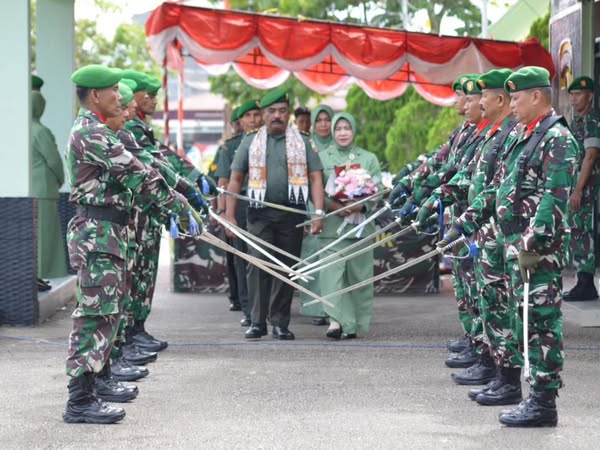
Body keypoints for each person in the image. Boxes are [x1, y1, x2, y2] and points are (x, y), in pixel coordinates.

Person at [63, 64, 198, 424]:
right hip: (97, 233)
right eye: (113, 93)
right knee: (94, 315)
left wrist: (176, 201)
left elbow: (140, 171)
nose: (119, 99)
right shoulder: (91, 133)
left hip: (109, 232)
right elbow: (137, 172)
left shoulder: (97, 129)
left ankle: (98, 382)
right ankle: (79, 400)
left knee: (110, 311)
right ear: (95, 96)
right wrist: (178, 204)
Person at [446, 66, 578, 427]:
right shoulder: (524, 135)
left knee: (540, 324)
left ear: (537, 96)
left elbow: (555, 197)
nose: (512, 105)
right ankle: (525, 390)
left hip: (537, 251)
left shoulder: (557, 139)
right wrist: (465, 222)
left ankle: (543, 402)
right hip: (512, 245)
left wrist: (531, 241)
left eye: (517, 98)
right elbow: (498, 188)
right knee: (520, 320)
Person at [226, 88, 325, 340]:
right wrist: (229, 215)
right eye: (271, 111)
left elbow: (315, 177)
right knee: (258, 264)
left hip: (292, 213)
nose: (277, 116)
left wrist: (318, 212)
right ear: (264, 114)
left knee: (286, 267)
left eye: (282, 111)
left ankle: (280, 323)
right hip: (259, 214)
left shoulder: (302, 141)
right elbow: (235, 179)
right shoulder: (250, 141)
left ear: (288, 113)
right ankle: (257, 322)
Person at [317, 112, 382, 339]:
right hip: (332, 229)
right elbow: (315, 190)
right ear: (332, 132)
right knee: (331, 277)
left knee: (359, 279)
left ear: (353, 130)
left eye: (347, 128)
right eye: (338, 129)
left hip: (359, 230)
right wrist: (334, 206)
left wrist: (360, 205)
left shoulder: (368, 158)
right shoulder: (323, 157)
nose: (342, 133)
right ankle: (337, 321)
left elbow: (378, 188)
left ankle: (355, 324)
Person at [215, 99, 263, 326]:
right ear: (240, 121)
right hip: (240, 205)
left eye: (256, 114)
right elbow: (224, 182)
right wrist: (224, 213)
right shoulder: (230, 146)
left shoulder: (269, 142)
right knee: (242, 260)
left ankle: (265, 309)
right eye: (248, 116)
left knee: (264, 259)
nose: (253, 120)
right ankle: (248, 310)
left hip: (265, 205)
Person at [564, 76, 600, 301]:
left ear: (590, 96)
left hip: (587, 188)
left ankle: (586, 283)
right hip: (577, 186)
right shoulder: (577, 120)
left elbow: (590, 156)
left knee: (583, 232)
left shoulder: (592, 120)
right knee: (577, 231)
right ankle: (583, 281)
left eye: (578, 94)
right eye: (572, 94)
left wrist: (578, 190)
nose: (574, 99)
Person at [299, 104, 334, 325]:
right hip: (310, 208)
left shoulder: (341, 143)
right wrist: (303, 213)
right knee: (312, 259)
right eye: (319, 120)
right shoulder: (305, 145)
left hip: (336, 210)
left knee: (332, 260)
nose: (323, 124)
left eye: (327, 120)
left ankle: (333, 306)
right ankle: (314, 307)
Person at [31, 81, 68, 281]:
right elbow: (53, 160)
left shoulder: (17, 129)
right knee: (45, 238)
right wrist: (61, 179)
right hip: (44, 190)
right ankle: (40, 276)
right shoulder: (39, 131)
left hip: (27, 191)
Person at [210, 107, 241, 313]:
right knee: (234, 256)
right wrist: (219, 211)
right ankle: (237, 297)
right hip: (232, 206)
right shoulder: (228, 148)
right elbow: (219, 181)